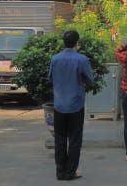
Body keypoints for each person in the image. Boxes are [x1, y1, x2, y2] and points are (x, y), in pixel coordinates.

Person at [48, 29, 94, 181]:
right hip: (76, 105)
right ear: (77, 43)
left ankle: (60, 172)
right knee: (74, 139)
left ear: (63, 42)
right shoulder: (82, 60)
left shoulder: (55, 59)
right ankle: (70, 172)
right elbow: (90, 79)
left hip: (59, 105)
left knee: (59, 139)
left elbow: (50, 78)